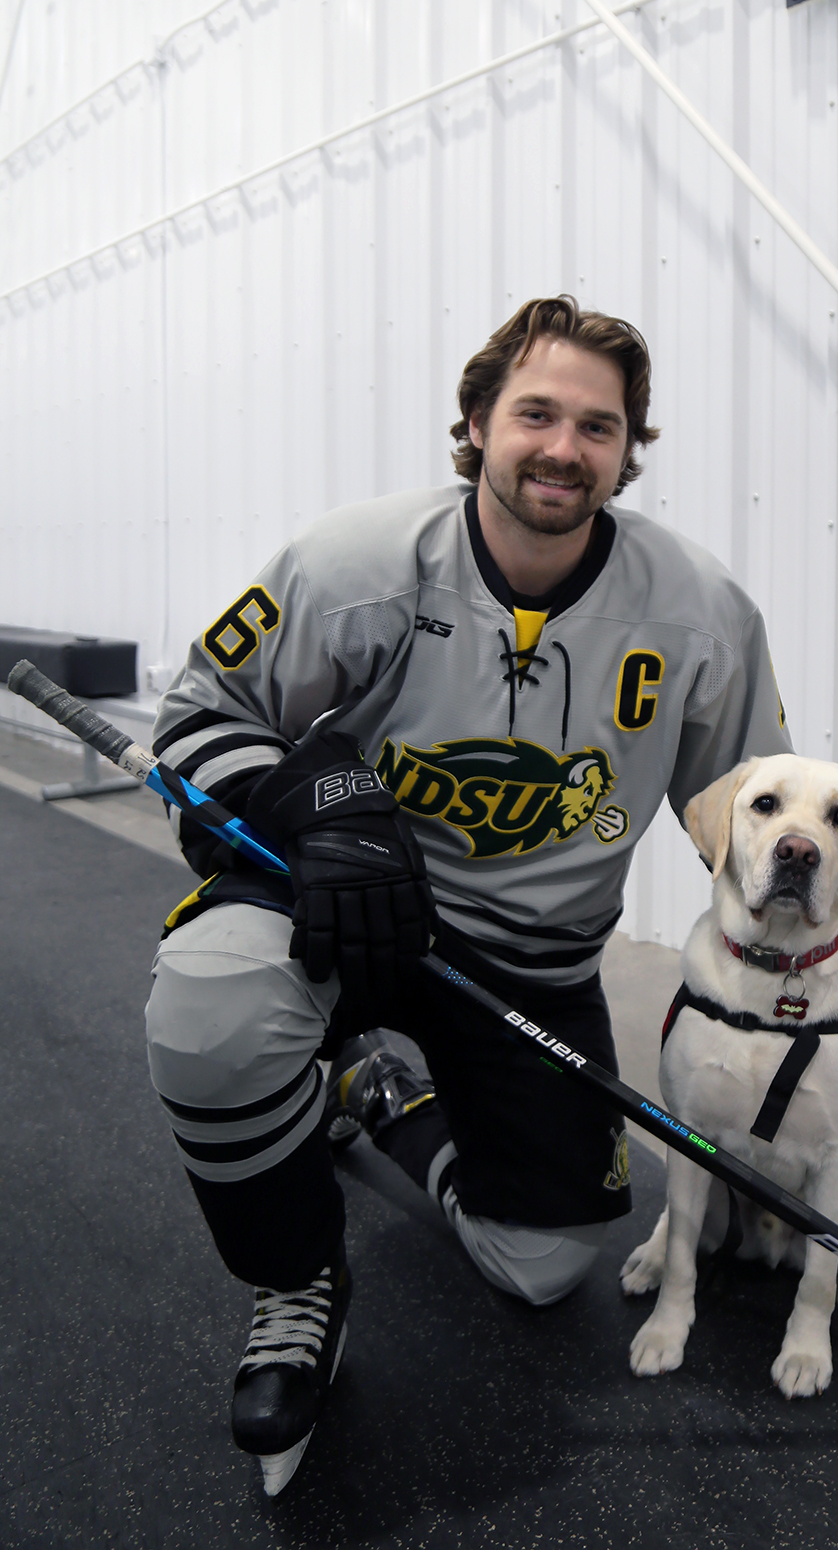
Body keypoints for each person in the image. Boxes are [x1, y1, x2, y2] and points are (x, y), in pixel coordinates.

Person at [144, 295, 792, 1494]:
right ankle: (298, 1281)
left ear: (627, 450)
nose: (563, 446)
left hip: (530, 960)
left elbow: (757, 819)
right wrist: (326, 794)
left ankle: (383, 1092)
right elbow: (195, 723)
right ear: (479, 422)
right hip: (339, 905)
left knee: (542, 1263)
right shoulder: (356, 561)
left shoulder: (701, 612)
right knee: (211, 1006)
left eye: (598, 426)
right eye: (536, 412)